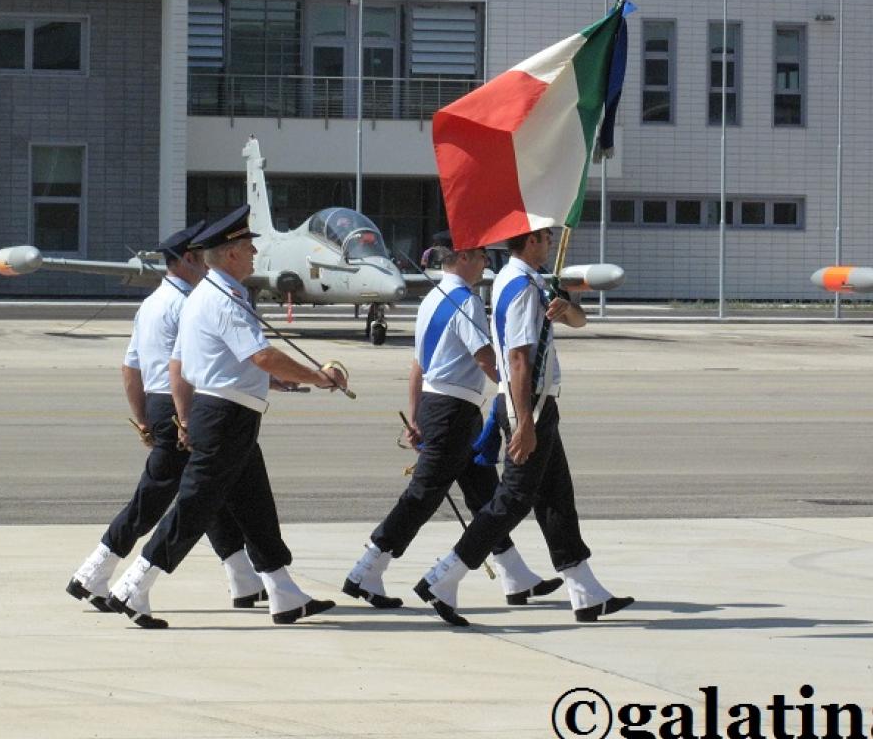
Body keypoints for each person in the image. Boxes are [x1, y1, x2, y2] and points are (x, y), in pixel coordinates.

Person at [106, 206, 346, 628]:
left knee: (255, 507)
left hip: (221, 414)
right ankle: (135, 584)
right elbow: (263, 355)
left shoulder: (204, 295)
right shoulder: (225, 300)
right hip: (225, 417)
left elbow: (179, 365)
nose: (255, 253)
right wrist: (319, 378)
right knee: (196, 506)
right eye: (249, 247)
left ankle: (284, 593)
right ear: (231, 254)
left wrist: (185, 419)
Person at [415, 227, 634, 626]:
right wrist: (524, 421)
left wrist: (565, 310)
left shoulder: (535, 282)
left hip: (539, 403)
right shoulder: (518, 285)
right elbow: (516, 358)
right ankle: (443, 577)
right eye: (546, 238)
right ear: (531, 242)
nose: (551, 243)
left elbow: (579, 321)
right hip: (526, 404)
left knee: (556, 498)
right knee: (513, 500)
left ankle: (586, 592)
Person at [343, 232, 560, 610]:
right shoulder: (465, 302)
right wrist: (513, 392)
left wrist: (414, 415)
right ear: (461, 257)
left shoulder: (431, 299)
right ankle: (367, 568)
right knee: (423, 495)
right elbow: (485, 358)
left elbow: (417, 365)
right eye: (480, 255)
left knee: (484, 494)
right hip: (452, 413)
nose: (486, 263)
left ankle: (514, 574)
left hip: (440, 407)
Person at [66, 221, 266, 615]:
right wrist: (186, 419)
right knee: (164, 498)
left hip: (161, 405)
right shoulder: (188, 304)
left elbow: (130, 367)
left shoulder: (153, 303)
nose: (208, 267)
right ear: (190, 259)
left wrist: (143, 418)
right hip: (187, 405)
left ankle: (244, 578)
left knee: (211, 493)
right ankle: (95, 572)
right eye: (201, 258)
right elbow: (186, 366)